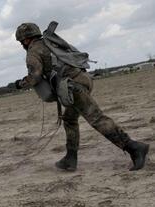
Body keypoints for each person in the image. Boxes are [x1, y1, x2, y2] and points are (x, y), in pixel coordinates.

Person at [14, 22, 149, 171]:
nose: (22, 45)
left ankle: (134, 148)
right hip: (84, 78)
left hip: (73, 88)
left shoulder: (33, 51)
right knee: (70, 120)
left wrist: (20, 84)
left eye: (21, 42)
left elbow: (35, 77)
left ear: (26, 39)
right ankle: (70, 159)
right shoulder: (50, 42)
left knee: (97, 119)